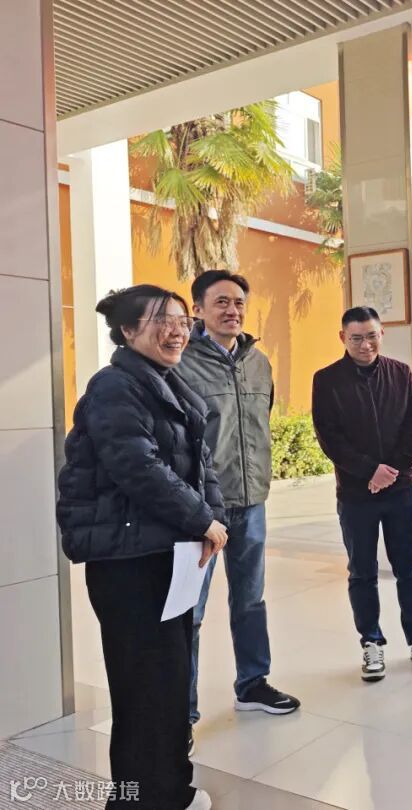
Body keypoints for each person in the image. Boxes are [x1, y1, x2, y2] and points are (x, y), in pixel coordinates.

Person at [57, 285, 228, 810]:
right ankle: (142, 800)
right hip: (129, 565)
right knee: (145, 690)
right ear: (128, 331)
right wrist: (202, 518)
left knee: (169, 683)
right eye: (161, 321)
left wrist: (214, 517)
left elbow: (200, 464)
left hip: (165, 556)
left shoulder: (166, 381)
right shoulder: (114, 386)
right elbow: (137, 465)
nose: (177, 330)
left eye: (181, 320)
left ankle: (170, 790)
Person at [176, 270, 299, 756]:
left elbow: (260, 425)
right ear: (198, 309)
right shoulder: (181, 362)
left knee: (250, 600)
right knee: (191, 612)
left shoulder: (258, 362)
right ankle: (180, 713)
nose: (233, 310)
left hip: (251, 502)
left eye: (239, 302)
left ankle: (252, 683)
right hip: (201, 509)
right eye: (222, 302)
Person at [311, 306, 412, 682]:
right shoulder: (326, 380)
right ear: (343, 338)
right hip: (355, 494)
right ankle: (371, 642)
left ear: (382, 334)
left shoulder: (401, 373)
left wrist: (391, 471)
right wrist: (369, 471)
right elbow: (328, 436)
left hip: (400, 489)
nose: (365, 344)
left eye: (371, 336)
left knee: (410, 568)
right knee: (362, 572)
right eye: (356, 338)